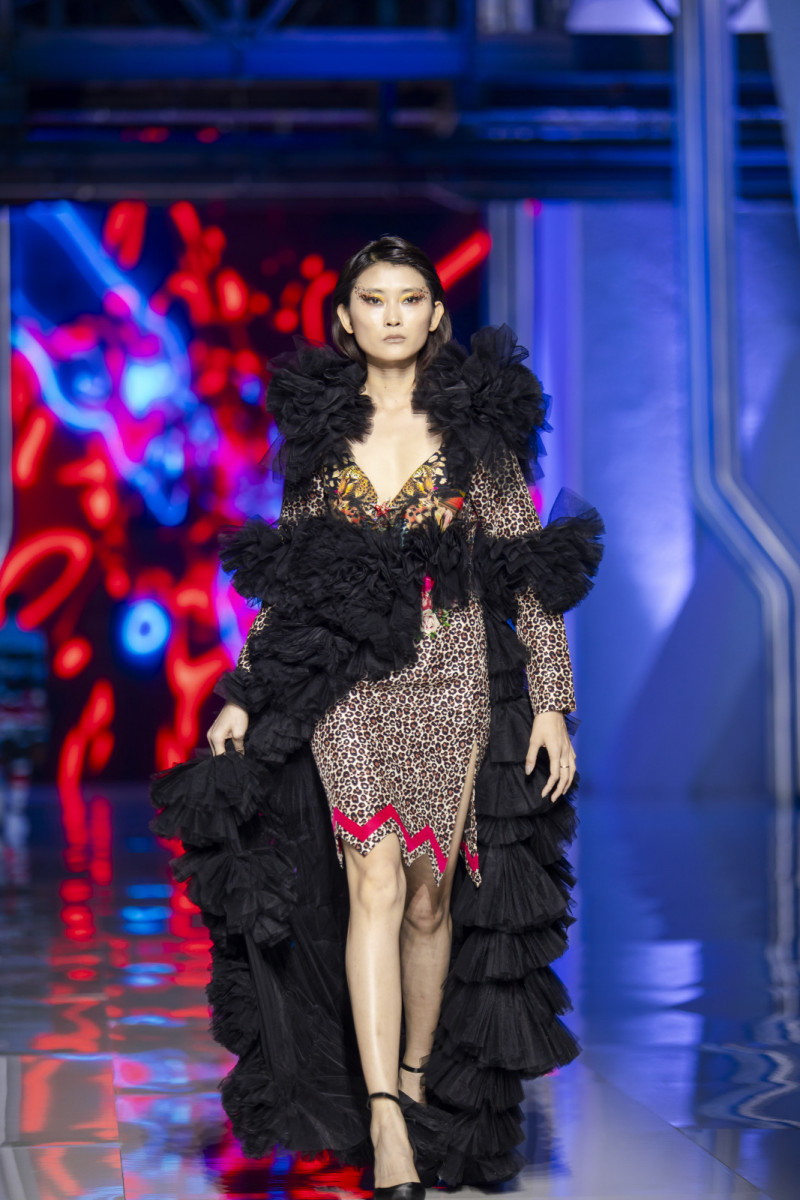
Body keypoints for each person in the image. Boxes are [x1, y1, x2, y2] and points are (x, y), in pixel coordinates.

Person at [151, 235, 603, 1197]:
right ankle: (386, 1117)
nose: (391, 314)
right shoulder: (320, 440)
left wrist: (553, 704)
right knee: (374, 882)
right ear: (345, 320)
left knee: (432, 897)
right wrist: (244, 692)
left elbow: (528, 576)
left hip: (455, 677)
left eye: (408, 298)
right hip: (349, 683)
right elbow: (292, 582)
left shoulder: (480, 433)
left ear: (435, 316)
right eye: (372, 298)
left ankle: (414, 1078)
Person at [0, 592, 49, 888]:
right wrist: (40, 719)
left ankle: (10, 819)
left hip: (6, 714)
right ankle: (15, 816)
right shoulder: (34, 641)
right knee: (19, 764)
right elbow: (39, 683)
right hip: (24, 715)